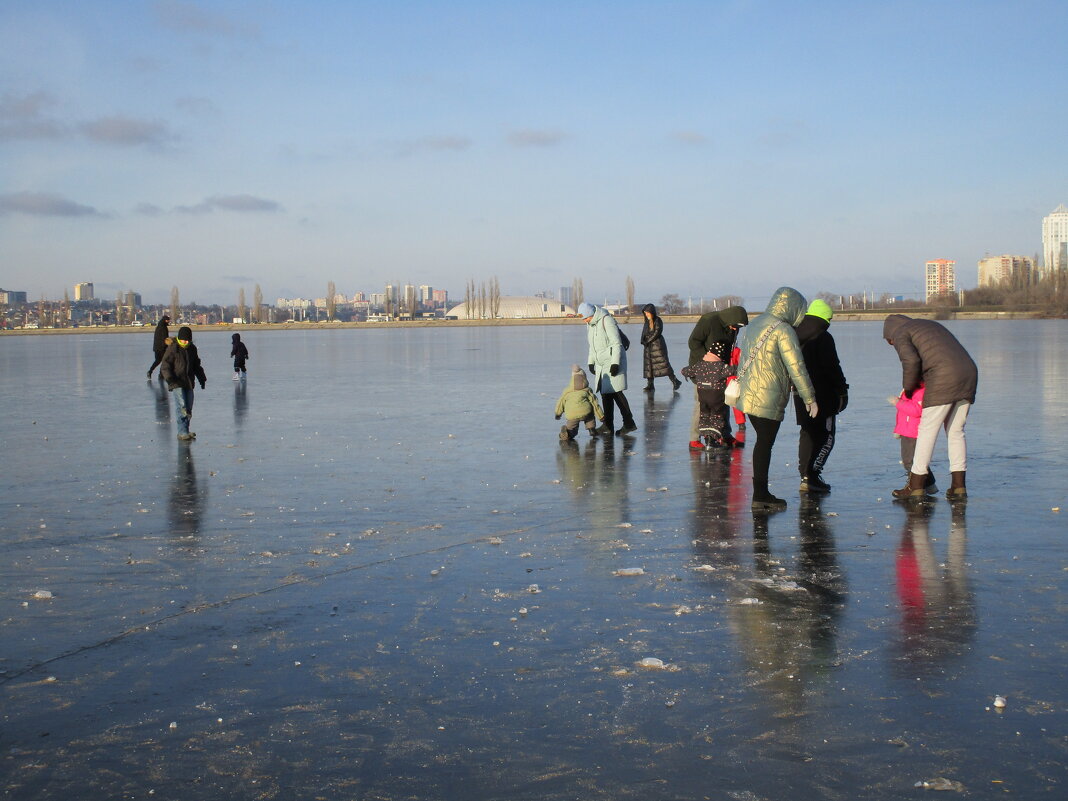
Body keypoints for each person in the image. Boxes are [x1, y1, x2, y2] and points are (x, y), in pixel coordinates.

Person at [732, 287, 817, 511]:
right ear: (792, 307)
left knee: (762, 442)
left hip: (749, 396)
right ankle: (760, 495)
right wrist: (809, 397)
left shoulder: (756, 324)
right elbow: (796, 367)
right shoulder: (783, 330)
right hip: (768, 398)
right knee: (764, 444)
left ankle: (761, 493)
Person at [883, 314, 977, 501]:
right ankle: (958, 486)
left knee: (927, 431)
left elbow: (911, 362)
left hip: (943, 378)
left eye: (890, 342)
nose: (892, 345)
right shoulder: (928, 325)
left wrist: (908, 391)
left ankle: (916, 485)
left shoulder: (901, 333)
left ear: (891, 334)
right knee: (956, 431)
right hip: (968, 373)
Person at [792, 299, 849, 493]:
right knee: (826, 436)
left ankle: (805, 475)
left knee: (807, 433)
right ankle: (812, 475)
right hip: (824, 396)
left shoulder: (793, 335)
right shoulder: (824, 337)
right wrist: (842, 390)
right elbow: (832, 367)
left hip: (800, 394)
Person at [686, 306, 749, 450]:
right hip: (703, 370)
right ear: (730, 319)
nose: (735, 329)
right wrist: (707, 364)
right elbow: (693, 342)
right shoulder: (709, 320)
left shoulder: (732, 326)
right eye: (735, 326)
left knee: (723, 402)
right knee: (701, 404)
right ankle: (694, 439)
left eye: (738, 327)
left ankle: (725, 435)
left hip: (720, 370)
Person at [578, 302, 637, 436]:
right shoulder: (590, 325)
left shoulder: (607, 320)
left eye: (585, 318)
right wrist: (591, 362)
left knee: (616, 392)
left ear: (591, 314)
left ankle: (629, 423)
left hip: (612, 361)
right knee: (605, 394)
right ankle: (608, 426)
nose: (584, 320)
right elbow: (592, 346)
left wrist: (615, 364)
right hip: (600, 364)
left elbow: (616, 343)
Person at [680, 341, 733, 449]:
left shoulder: (700, 365)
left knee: (704, 417)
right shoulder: (721, 366)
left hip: (703, 397)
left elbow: (686, 371)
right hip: (716, 398)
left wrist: (685, 372)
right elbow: (733, 370)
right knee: (717, 418)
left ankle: (706, 438)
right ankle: (712, 441)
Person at [889, 383, 938, 495]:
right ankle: (930, 485)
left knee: (909, 461)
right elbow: (902, 415)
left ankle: (915, 487)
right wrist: (898, 430)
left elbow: (917, 410)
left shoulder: (920, 391)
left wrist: (898, 402)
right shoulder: (910, 389)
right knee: (917, 459)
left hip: (913, 432)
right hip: (907, 430)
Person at [160, 326, 207, 442]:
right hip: (176, 382)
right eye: (183, 340)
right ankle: (182, 432)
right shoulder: (173, 348)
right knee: (182, 407)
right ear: (179, 339)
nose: (185, 342)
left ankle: (186, 429)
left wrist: (202, 378)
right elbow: (165, 366)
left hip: (189, 382)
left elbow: (196, 365)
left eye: (187, 340)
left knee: (189, 407)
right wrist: (170, 379)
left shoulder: (192, 349)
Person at [639, 303, 682, 392]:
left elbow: (657, 332)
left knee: (664, 364)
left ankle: (675, 381)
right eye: (645, 313)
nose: (646, 314)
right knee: (649, 365)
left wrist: (648, 340)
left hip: (658, 346)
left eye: (647, 313)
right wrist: (642, 340)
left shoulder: (658, 320)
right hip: (648, 347)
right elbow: (644, 332)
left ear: (652, 312)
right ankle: (650, 385)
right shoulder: (647, 322)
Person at [555, 364, 604, 440]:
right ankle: (592, 430)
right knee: (590, 415)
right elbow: (595, 404)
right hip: (586, 413)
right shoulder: (587, 390)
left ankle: (568, 433)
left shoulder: (567, 391)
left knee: (573, 430)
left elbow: (560, 403)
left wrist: (558, 414)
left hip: (572, 415)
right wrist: (601, 416)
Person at [147, 314, 171, 379]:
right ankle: (161, 375)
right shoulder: (163, 327)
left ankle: (150, 371)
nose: (169, 322)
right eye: (168, 320)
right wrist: (168, 345)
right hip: (162, 347)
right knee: (164, 361)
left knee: (158, 360)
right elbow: (164, 338)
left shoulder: (159, 326)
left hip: (156, 347)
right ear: (166, 320)